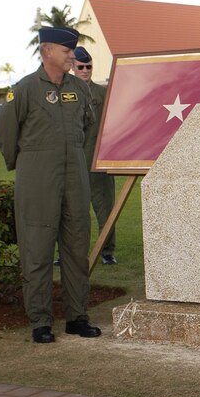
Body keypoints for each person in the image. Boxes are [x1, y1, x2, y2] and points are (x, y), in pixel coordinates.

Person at [0, 27, 102, 343]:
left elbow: (88, 126)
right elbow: (5, 135)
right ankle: (40, 321)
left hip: (75, 176)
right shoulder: (24, 89)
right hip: (38, 177)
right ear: (47, 52)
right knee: (37, 249)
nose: (72, 56)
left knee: (76, 246)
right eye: (67, 51)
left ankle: (77, 317)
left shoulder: (78, 89)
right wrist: (29, 165)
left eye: (73, 51)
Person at [73, 46, 117, 265]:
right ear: (73, 67)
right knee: (70, 213)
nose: (85, 70)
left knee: (105, 209)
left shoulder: (102, 93)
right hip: (72, 163)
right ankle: (69, 254)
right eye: (81, 67)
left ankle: (107, 251)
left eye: (88, 67)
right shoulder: (64, 93)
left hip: (98, 161)